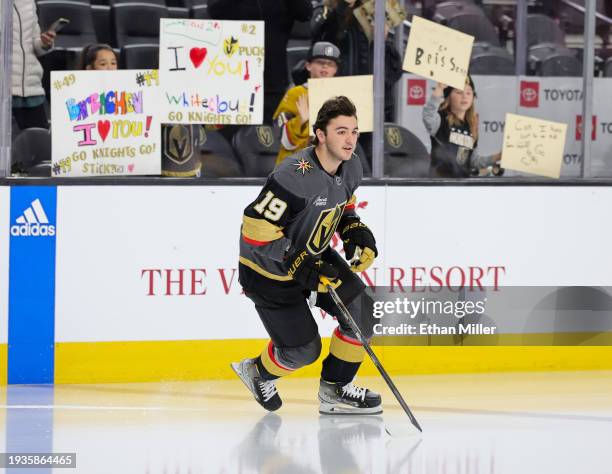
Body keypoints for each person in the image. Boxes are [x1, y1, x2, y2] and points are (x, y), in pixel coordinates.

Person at [232, 96, 381, 415]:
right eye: (341, 131)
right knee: (303, 351)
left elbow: (342, 205)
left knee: (363, 313)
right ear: (320, 134)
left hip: (312, 256)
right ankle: (257, 372)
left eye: (354, 131)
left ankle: (335, 389)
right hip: (266, 272)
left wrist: (355, 231)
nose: (350, 139)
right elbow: (256, 230)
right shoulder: (292, 175)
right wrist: (298, 261)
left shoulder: (352, 165)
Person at [208, 0, 313, 123]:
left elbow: (305, 13)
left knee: (270, 134)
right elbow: (213, 11)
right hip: (236, 75)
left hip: (273, 77)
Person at [311, 0, 402, 121]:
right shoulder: (325, 11)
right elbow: (325, 43)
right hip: (337, 95)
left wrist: (381, 41)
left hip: (370, 99)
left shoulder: (376, 9)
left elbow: (393, 71)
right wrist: (342, 6)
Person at [272, 41, 341, 166]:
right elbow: (283, 140)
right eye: (320, 62)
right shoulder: (296, 93)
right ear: (308, 66)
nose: (325, 67)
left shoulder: (341, 98)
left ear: (335, 69)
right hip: (294, 169)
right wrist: (301, 121)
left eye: (330, 64)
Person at [422, 76, 501, 178]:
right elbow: (428, 115)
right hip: (440, 186)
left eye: (468, 93)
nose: (464, 96)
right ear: (448, 96)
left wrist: (497, 157)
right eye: (459, 92)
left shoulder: (472, 125)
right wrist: (440, 88)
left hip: (463, 187)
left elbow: (473, 161)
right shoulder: (441, 120)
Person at [11, 0, 56, 130]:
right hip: (5, 91)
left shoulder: (28, 2)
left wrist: (44, 43)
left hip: (31, 89)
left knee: (39, 145)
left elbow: (34, 45)